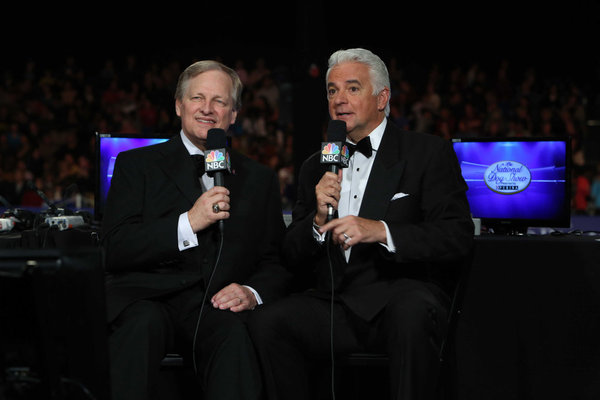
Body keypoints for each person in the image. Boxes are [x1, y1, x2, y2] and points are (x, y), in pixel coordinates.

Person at [248, 48, 474, 400]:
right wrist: (317, 220)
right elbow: (290, 255)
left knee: (412, 312)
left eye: (352, 88)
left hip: (398, 299)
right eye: (332, 90)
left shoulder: (427, 153)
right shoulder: (315, 166)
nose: (340, 100)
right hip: (335, 305)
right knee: (268, 323)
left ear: (382, 97)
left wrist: (380, 230)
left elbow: (455, 236)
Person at [100, 60, 290, 400]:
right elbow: (115, 248)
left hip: (214, 307)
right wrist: (189, 222)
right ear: (179, 105)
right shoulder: (135, 165)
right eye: (197, 98)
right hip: (146, 298)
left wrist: (251, 291)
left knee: (235, 337)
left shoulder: (259, 179)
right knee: (140, 328)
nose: (207, 108)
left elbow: (275, 260)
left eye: (219, 101)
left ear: (233, 114)